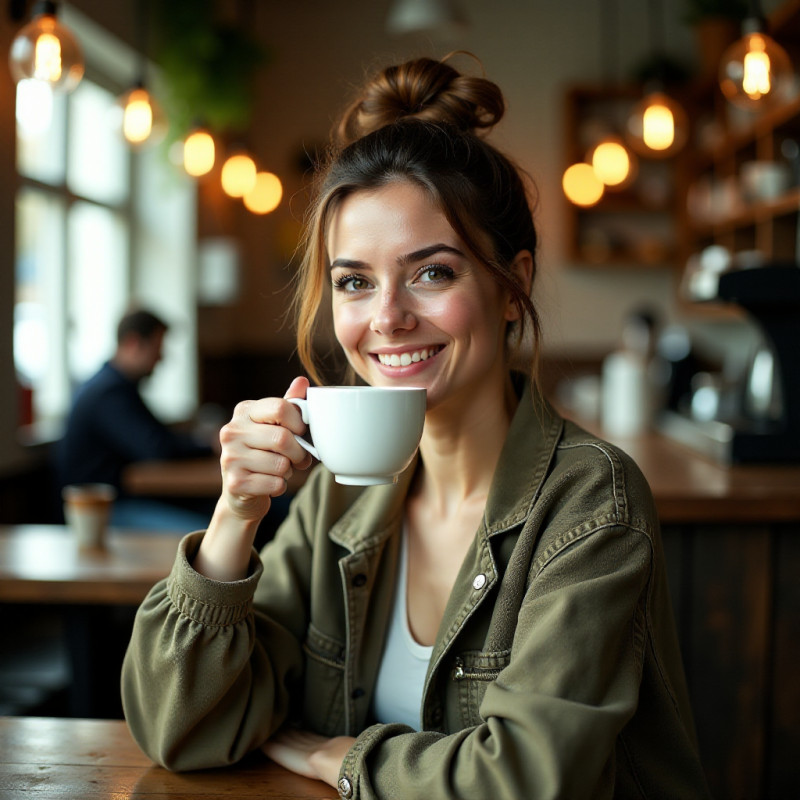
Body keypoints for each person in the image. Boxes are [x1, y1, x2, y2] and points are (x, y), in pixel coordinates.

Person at [121, 55, 710, 798]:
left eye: (433, 272)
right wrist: (234, 518)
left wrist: (338, 757)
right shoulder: (342, 497)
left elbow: (528, 779)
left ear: (512, 284)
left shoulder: (591, 502)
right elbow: (183, 728)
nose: (388, 317)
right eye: (355, 282)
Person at [57, 307, 217, 531]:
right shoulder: (108, 393)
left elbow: (155, 439)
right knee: (205, 533)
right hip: (99, 514)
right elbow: (157, 448)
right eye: (157, 348)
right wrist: (207, 445)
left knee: (215, 520)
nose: (161, 358)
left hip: (119, 502)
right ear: (133, 343)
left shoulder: (115, 386)